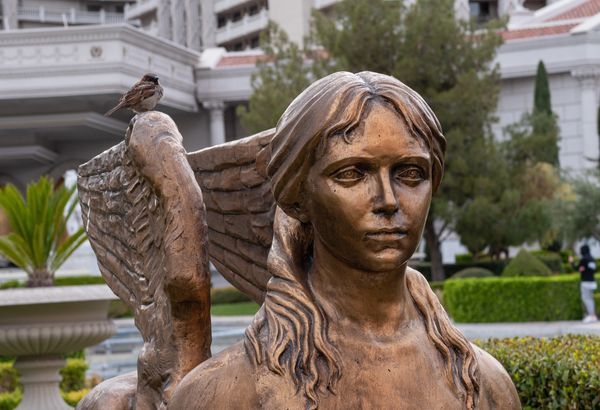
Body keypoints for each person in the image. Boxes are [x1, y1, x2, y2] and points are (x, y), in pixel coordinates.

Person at [169, 71, 520, 409]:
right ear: (298, 196)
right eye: (352, 173)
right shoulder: (224, 393)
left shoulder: (484, 385)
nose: (388, 200)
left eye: (410, 173)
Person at [570, 245, 598, 323]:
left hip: (585, 282)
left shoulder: (584, 259)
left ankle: (591, 315)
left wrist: (572, 262)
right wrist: (583, 269)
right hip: (592, 282)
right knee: (590, 299)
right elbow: (591, 269)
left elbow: (577, 268)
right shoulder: (592, 258)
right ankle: (593, 315)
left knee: (586, 299)